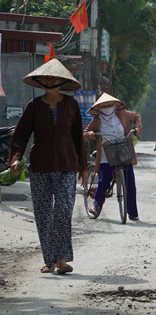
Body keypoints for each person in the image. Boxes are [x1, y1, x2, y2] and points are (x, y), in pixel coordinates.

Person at [7, 58, 87, 274]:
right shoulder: (33, 107)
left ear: (62, 81)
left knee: (62, 209)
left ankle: (61, 259)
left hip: (67, 165)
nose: (49, 79)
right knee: (43, 213)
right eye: (46, 77)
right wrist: (15, 158)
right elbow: (21, 136)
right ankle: (50, 260)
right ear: (40, 81)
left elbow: (77, 137)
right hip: (40, 166)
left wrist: (84, 166)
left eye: (53, 77)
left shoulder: (71, 105)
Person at [83, 93, 143, 221]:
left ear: (115, 104)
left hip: (124, 152)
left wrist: (137, 128)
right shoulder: (97, 120)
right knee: (104, 180)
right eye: (104, 105)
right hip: (106, 155)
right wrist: (92, 134)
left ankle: (132, 212)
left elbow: (137, 116)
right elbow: (85, 132)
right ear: (99, 107)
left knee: (130, 183)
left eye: (109, 104)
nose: (107, 107)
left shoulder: (124, 114)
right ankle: (96, 204)